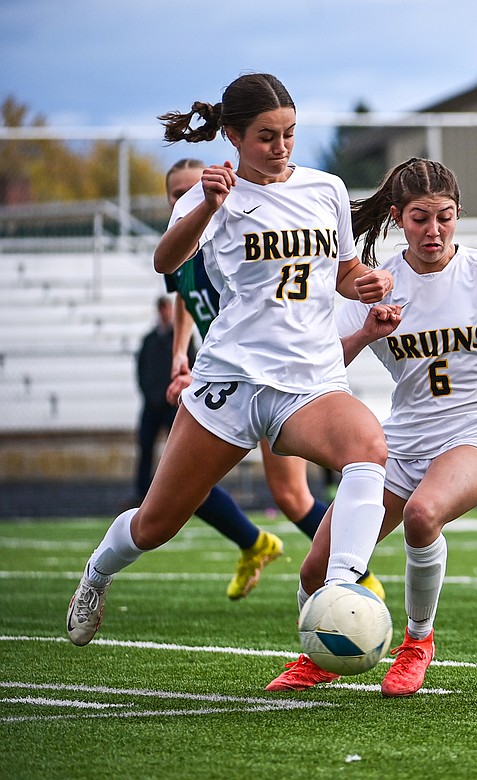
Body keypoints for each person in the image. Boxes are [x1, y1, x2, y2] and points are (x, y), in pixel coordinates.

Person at [66, 73, 393, 647]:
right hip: (232, 380)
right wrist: (209, 207)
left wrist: (364, 283)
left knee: (368, 449)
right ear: (234, 136)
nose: (282, 147)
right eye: (267, 136)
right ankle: (97, 574)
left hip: (308, 380)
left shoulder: (327, 189)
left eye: (290, 133)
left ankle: (337, 586)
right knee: (156, 524)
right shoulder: (210, 193)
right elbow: (165, 260)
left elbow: (339, 272)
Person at [265, 157, 477, 695]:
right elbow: (322, 363)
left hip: (476, 433)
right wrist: (366, 330)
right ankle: (317, 655)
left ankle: (417, 642)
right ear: (397, 217)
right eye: (420, 218)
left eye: (445, 217)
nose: (434, 231)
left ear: (459, 215)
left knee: (423, 513)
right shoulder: (378, 283)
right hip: (405, 442)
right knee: (316, 569)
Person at [162, 159, 382, 600]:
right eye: (177, 194)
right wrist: (180, 358)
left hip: (278, 378)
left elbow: (326, 276)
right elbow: (185, 301)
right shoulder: (193, 248)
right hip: (225, 381)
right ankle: (256, 543)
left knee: (291, 493)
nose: (193, 195)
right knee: (179, 495)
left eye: (195, 186)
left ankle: (350, 575)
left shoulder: (236, 235)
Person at [133, 295, 194, 504]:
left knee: (177, 451)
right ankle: (143, 494)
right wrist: (150, 394)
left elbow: (192, 366)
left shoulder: (183, 338)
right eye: (161, 308)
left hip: (173, 404)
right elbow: (141, 370)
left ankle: (178, 494)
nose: (165, 312)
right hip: (152, 405)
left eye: (167, 308)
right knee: (145, 449)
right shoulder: (149, 339)